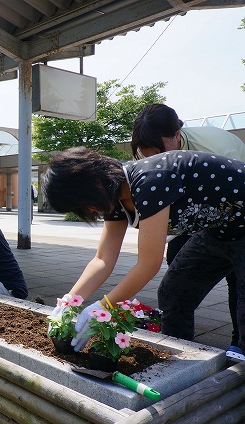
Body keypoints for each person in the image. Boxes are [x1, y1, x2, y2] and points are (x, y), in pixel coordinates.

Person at [42, 146, 245, 355]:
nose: (89, 211)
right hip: (218, 230)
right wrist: (69, 301)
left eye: (84, 203)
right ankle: (177, 358)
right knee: (173, 293)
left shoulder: (150, 180)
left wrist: (104, 306)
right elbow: (102, 259)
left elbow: (149, 264)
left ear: (93, 181)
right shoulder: (115, 197)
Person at [132, 103, 245, 359]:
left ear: (177, 134)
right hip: (207, 223)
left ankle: (238, 343)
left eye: (160, 152)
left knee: (237, 280)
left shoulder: (215, 145)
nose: (154, 161)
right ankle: (178, 350)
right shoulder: (146, 159)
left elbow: (234, 195)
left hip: (236, 214)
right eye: (147, 155)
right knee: (174, 283)